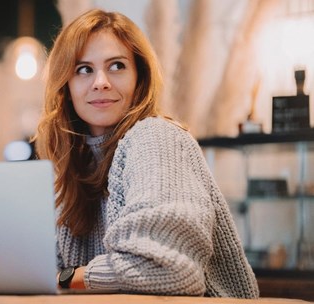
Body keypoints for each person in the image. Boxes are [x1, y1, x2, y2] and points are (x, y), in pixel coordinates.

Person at [34, 9, 259, 298]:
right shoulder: (72, 166)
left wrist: (67, 278)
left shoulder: (156, 138)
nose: (100, 81)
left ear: (139, 78)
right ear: (65, 86)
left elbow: (165, 268)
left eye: (116, 66)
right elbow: (41, 270)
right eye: (84, 69)